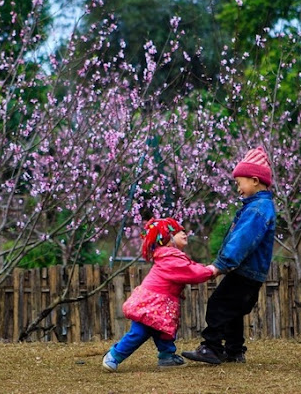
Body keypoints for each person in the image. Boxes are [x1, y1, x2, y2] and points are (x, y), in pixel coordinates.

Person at [182, 146, 276, 365]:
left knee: (217, 306)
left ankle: (211, 348)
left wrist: (221, 264)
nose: (238, 188)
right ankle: (234, 351)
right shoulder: (258, 206)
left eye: (239, 182)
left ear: (254, 180)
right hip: (249, 273)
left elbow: (242, 240)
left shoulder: (258, 209)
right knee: (233, 312)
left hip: (244, 272)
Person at [102, 217, 219, 372]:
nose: (184, 233)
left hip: (157, 303)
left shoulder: (170, 256)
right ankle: (114, 356)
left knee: (162, 329)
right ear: (167, 239)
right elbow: (191, 272)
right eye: (178, 231)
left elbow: (189, 266)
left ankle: (166, 356)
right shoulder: (170, 258)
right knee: (139, 332)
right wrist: (210, 270)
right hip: (152, 303)